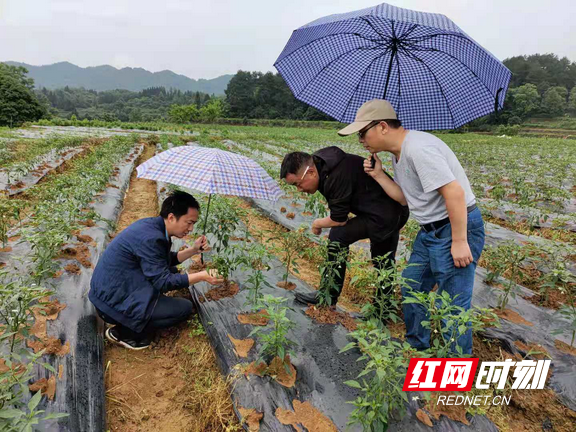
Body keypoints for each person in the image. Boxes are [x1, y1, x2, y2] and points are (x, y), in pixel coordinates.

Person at [338, 99, 485, 355]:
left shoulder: (419, 149)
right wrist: (380, 175)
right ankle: (418, 346)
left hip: (454, 227)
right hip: (430, 231)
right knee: (412, 285)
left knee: (453, 304)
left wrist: (459, 241)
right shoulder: (399, 153)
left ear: (382, 126)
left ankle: (457, 374)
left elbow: (454, 193)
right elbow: (407, 198)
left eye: (363, 132)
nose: (361, 140)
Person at [280, 146, 409, 313]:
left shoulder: (334, 176)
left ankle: (381, 311)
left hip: (388, 214)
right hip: (376, 208)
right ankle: (328, 296)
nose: (299, 189)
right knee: (369, 251)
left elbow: (339, 219)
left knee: (380, 258)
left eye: (298, 184)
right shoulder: (322, 165)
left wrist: (316, 223)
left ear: (311, 172)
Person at [89, 191, 223, 350]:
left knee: (171, 269)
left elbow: (163, 260)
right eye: (189, 222)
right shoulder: (152, 238)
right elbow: (163, 282)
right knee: (184, 308)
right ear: (172, 217)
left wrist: (194, 250)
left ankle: (133, 317)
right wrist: (202, 276)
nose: (191, 228)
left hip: (112, 290)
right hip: (111, 304)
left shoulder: (154, 226)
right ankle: (125, 333)